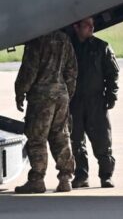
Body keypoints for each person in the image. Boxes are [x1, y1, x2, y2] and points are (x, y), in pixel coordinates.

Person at [14, 31, 77, 194]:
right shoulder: (64, 38)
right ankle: (65, 179)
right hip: (61, 94)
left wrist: (20, 92)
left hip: (41, 96)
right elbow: (71, 70)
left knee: (37, 138)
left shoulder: (37, 40)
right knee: (61, 136)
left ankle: (37, 180)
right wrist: (67, 93)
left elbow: (29, 70)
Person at [69, 17, 120, 189]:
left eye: (92, 25)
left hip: (96, 100)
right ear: (76, 27)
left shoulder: (101, 47)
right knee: (76, 140)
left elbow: (112, 73)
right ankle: (81, 175)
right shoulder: (69, 48)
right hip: (74, 101)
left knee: (102, 139)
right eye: (87, 25)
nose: (91, 28)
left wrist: (111, 95)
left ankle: (106, 175)